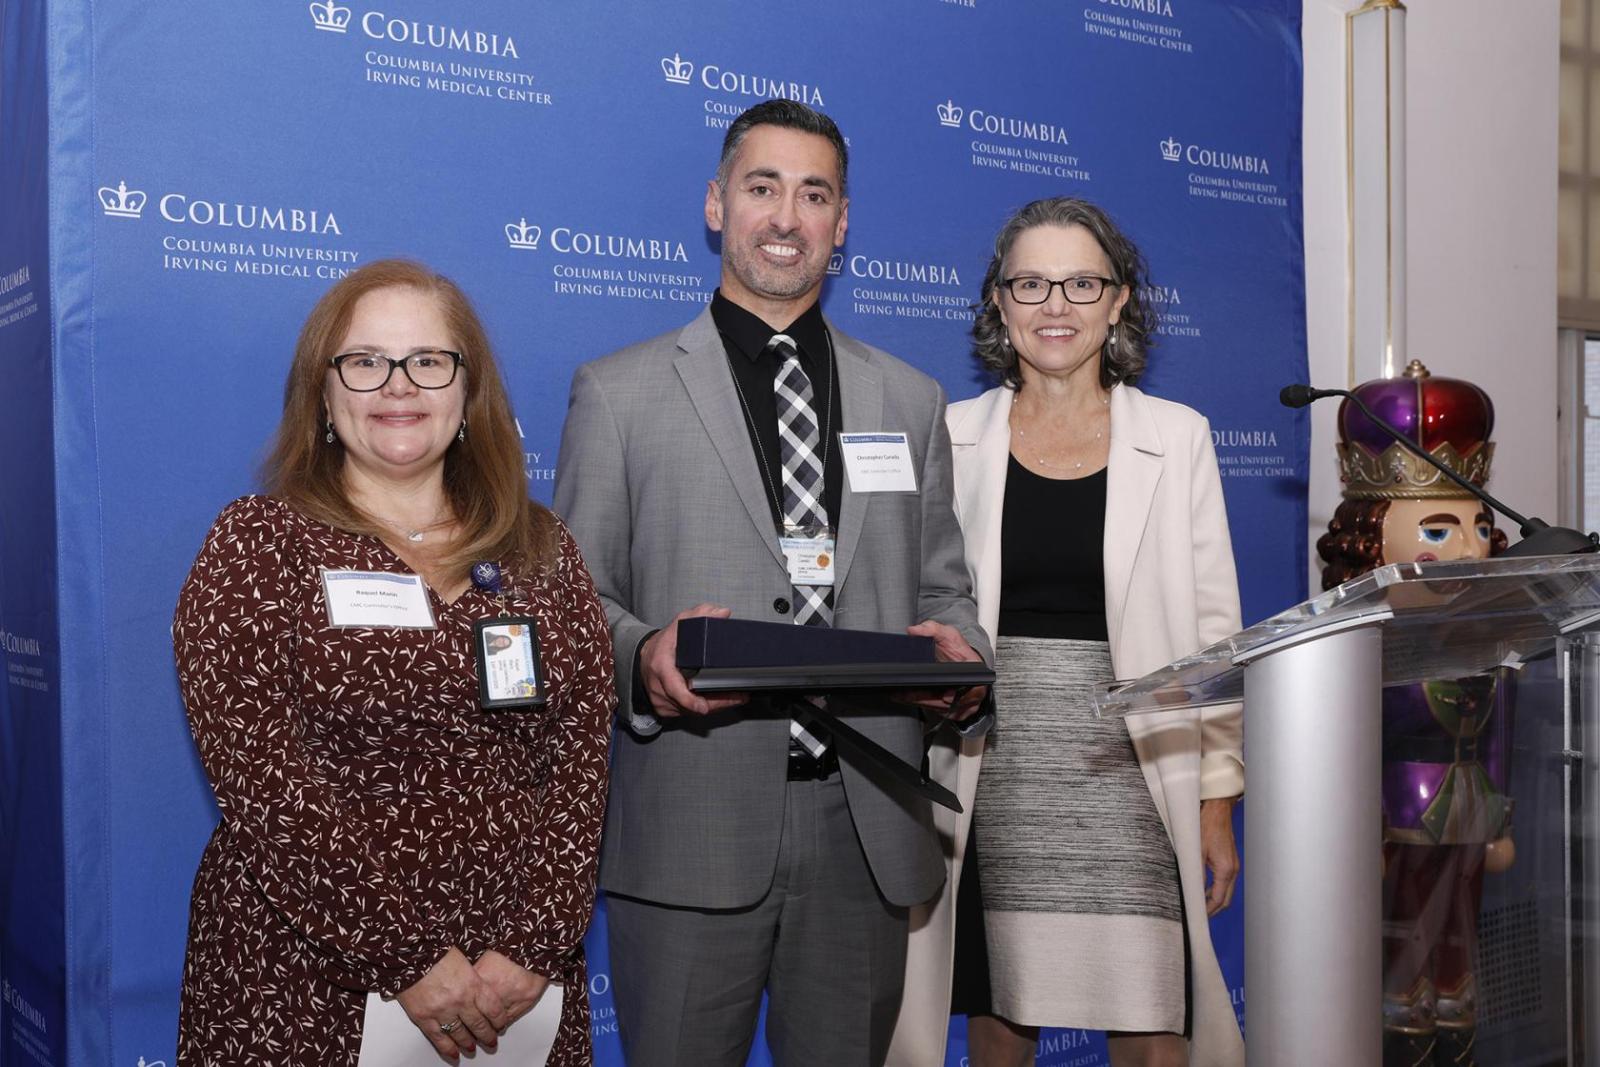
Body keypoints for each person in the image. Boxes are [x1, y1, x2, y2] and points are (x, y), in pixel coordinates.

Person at [552, 98, 991, 1067]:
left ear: (842, 225)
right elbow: (574, 605)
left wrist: (961, 660)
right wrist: (646, 656)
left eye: (814, 194)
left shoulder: (911, 401)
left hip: (864, 824)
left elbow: (943, 589)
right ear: (716, 205)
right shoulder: (618, 393)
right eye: (762, 188)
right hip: (690, 825)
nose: (786, 217)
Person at [173, 259, 616, 1066]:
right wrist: (408, 959)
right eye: (366, 362)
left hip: (515, 981)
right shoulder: (258, 546)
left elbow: (581, 764)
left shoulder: (542, 550)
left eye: (428, 361)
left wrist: (533, 947)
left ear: (466, 391)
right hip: (308, 976)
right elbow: (265, 780)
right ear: (325, 392)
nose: (398, 386)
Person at [895, 197, 1245, 1067]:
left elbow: (1216, 640)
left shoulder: (1180, 438)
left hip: (1133, 770)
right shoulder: (949, 436)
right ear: (1000, 302)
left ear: (1119, 300)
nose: (1056, 305)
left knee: (1153, 1014)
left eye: (1082, 282)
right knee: (999, 1009)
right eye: (1031, 283)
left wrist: (1218, 801)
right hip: (993, 763)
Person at [1317, 360, 1513, 1067]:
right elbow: (1348, 744)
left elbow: (1501, 731)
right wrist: (1361, 825)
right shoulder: (1358, 640)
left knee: (1460, 946)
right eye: (1438, 530)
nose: (1468, 547)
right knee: (1400, 953)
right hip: (1400, 815)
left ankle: (1455, 1032)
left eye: (1479, 526)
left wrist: (1502, 817)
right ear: (1374, 535)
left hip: (1470, 813)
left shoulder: (1492, 634)